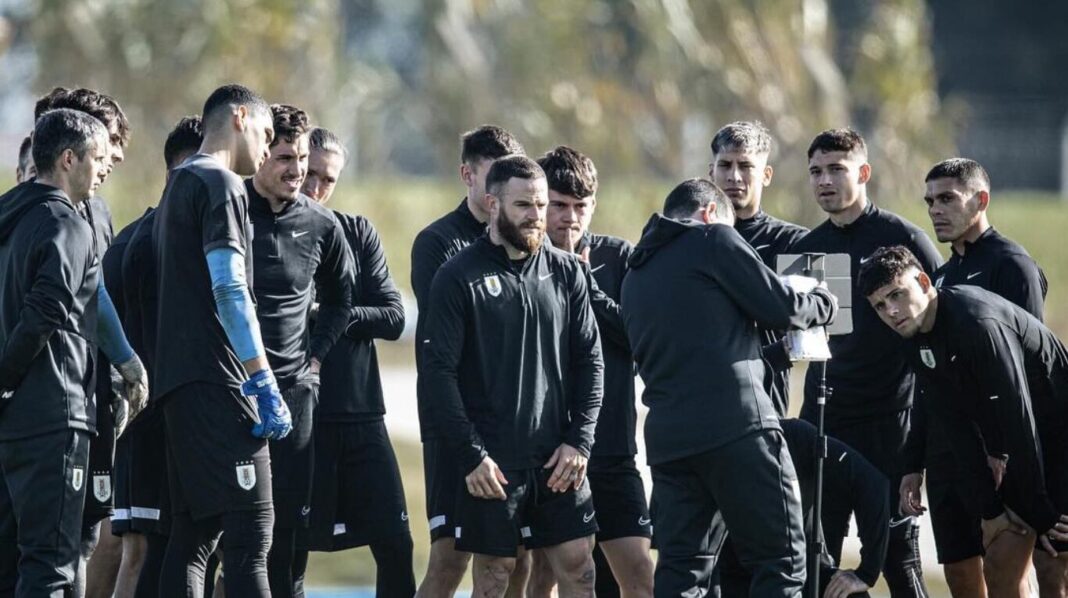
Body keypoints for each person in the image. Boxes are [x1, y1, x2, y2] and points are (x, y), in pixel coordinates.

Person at [620, 179, 837, 597]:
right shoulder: (713, 237)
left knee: (683, 572)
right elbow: (782, 306)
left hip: (671, 441)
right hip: (738, 429)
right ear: (707, 213)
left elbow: (699, 351)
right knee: (783, 559)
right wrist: (824, 304)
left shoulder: (636, 273)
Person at [423, 155, 604, 598]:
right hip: (490, 461)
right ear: (492, 204)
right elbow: (437, 375)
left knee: (579, 567)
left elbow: (590, 362)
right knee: (496, 576)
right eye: (524, 205)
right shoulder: (457, 276)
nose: (537, 216)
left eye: (541, 205)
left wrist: (580, 440)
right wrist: (471, 456)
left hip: (557, 457)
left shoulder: (567, 272)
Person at [860, 245, 1068, 597]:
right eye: (880, 305)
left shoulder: (976, 322)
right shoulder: (913, 335)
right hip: (1021, 436)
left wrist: (1042, 515)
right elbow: (952, 421)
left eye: (897, 294)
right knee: (1001, 559)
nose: (891, 311)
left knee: (1053, 562)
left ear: (925, 282)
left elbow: (1018, 417)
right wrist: (990, 510)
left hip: (1057, 431)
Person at [0, 108, 147, 597]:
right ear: (68, 159)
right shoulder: (68, 223)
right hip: (53, 417)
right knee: (53, 567)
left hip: (14, 424)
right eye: (98, 158)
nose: (103, 170)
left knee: (11, 562)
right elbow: (45, 312)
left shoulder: (9, 215)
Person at [791, 128, 941, 597]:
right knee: (819, 560)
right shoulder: (808, 247)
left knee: (898, 558)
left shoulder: (902, 238)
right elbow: (805, 342)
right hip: (827, 419)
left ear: (864, 172)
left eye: (837, 168)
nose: (824, 181)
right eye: (816, 171)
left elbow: (942, 317)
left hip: (892, 423)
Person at [153, 84, 288, 597]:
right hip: (221, 384)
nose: (267, 145)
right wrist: (261, 378)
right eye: (266, 133)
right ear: (239, 117)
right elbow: (229, 287)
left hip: (179, 385)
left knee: (192, 535)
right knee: (252, 535)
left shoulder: (176, 185)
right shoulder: (222, 184)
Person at [899, 158, 1047, 598]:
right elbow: (929, 379)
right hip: (949, 453)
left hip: (999, 454)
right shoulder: (938, 278)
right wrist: (913, 463)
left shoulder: (1012, 266)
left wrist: (1001, 448)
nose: (935, 210)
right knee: (961, 577)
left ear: (980, 200)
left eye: (947, 199)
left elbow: (1025, 373)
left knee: (1008, 575)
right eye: (929, 201)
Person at [527, 145, 653, 598]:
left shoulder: (621, 259)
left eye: (580, 207)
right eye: (558, 205)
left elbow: (641, 338)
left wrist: (588, 289)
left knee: (639, 573)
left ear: (593, 206)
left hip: (613, 449)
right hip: (545, 453)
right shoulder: (522, 264)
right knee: (543, 575)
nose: (569, 218)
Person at [410, 125, 528, 598]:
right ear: (467, 174)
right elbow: (451, 340)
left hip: (515, 424)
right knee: (449, 560)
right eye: (492, 175)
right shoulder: (437, 242)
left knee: (519, 559)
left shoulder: (528, 242)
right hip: (456, 424)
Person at [299, 127, 414, 597]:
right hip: (297, 417)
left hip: (361, 413)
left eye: (328, 178)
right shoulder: (263, 228)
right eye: (309, 173)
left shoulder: (356, 232)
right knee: (286, 553)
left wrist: (330, 315)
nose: (316, 187)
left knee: (397, 545)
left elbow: (392, 316)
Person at [245, 105, 353, 597]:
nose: (297, 171)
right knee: (227, 532)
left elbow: (340, 300)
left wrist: (315, 357)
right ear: (261, 154)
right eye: (285, 157)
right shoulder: (229, 206)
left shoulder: (322, 225)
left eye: (303, 159)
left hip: (294, 396)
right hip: (230, 393)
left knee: (288, 534)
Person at [109, 116, 204, 597]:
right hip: (146, 424)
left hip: (194, 422)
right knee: (140, 549)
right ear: (174, 174)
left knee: (199, 549)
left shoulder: (209, 239)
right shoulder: (136, 242)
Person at [718, 418, 889, 598]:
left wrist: (866, 573)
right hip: (738, 579)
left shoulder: (794, 436)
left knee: (851, 596)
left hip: (805, 571)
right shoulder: (714, 452)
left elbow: (871, 482)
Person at [709, 121, 808, 416]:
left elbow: (809, 333)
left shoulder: (794, 242)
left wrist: (753, 368)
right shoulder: (691, 238)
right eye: (725, 165)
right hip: (698, 400)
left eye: (746, 166)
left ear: (766, 175)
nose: (734, 176)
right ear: (710, 171)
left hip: (763, 405)